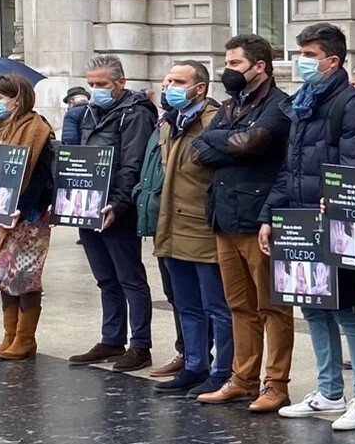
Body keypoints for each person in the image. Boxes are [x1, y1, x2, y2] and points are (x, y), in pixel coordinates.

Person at [261, 23, 355, 430]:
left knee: (347, 311)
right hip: (299, 219)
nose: (301, 62)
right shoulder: (302, 102)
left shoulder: (351, 104)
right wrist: (270, 216)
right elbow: (289, 168)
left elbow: (354, 166)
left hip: (333, 222)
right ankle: (329, 391)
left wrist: (338, 207)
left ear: (332, 61)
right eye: (300, 54)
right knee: (312, 308)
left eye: (309, 55)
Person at [194, 33, 294, 412]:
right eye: (227, 63)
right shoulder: (230, 105)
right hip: (224, 216)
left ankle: (276, 383)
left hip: (257, 219)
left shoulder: (279, 104)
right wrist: (232, 143)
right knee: (239, 305)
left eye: (235, 63)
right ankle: (242, 378)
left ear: (259, 66)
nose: (228, 70)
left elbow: (254, 143)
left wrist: (225, 142)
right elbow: (198, 151)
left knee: (273, 306)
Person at [144, 61, 232, 396]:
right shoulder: (170, 121)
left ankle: (224, 371)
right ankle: (195, 365)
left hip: (202, 225)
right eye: (167, 80)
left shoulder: (213, 120)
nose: (169, 87)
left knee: (217, 307)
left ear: (200, 88)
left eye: (178, 81)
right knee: (186, 304)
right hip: (172, 223)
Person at [68, 55, 157, 371]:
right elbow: (78, 159)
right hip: (88, 205)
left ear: (120, 82)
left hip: (119, 209)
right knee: (106, 279)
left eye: (102, 84)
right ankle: (111, 338)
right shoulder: (90, 112)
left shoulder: (135, 113)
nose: (95, 89)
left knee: (130, 278)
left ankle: (140, 345)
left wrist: (117, 205)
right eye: (91, 84)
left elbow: (133, 165)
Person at [0, 76, 54, 359]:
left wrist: (21, 209)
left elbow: (43, 181)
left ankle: (25, 339)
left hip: (28, 219)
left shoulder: (37, 130)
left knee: (25, 278)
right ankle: (10, 335)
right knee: (3, 276)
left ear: (17, 99)